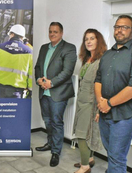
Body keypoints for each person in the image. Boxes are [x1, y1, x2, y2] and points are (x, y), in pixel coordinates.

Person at [95, 15, 132, 173]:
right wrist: (101, 103)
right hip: (105, 112)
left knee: (117, 156)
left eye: (124, 27)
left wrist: (109, 103)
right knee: (111, 152)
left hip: (127, 114)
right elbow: (98, 80)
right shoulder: (107, 54)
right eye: (117, 27)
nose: (119, 30)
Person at [35, 22, 77, 167]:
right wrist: (38, 79)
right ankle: (50, 143)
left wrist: (51, 83)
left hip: (58, 92)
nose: (52, 34)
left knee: (56, 122)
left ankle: (56, 152)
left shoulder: (69, 48)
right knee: (47, 120)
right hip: (44, 91)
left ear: (61, 33)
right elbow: (38, 67)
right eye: (50, 31)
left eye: (56, 32)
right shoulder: (43, 47)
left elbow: (67, 71)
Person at [72, 29, 107, 173]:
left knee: (82, 134)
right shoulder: (86, 60)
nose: (89, 41)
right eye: (86, 39)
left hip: (92, 103)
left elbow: (104, 86)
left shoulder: (102, 61)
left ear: (99, 41)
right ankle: (89, 159)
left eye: (92, 38)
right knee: (88, 132)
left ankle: (85, 167)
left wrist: (99, 108)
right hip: (82, 102)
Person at [0, 24, 32, 98]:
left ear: (12, 34)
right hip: (16, 92)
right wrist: (30, 91)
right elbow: (31, 75)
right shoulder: (29, 53)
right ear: (22, 37)